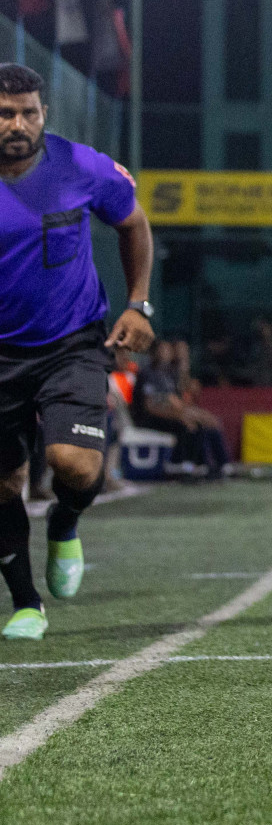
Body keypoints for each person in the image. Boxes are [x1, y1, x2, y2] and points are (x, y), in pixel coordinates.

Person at [0, 64, 155, 640]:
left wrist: (139, 305)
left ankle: (65, 523)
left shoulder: (81, 166)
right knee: (1, 483)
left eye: (29, 112)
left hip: (72, 342)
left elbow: (134, 225)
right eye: (5, 113)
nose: (19, 123)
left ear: (44, 114)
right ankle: (25, 604)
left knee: (74, 463)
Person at [131, 340, 231, 477]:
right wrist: (181, 416)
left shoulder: (168, 373)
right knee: (187, 424)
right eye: (163, 350)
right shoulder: (148, 373)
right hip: (149, 419)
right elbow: (150, 407)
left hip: (171, 414)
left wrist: (193, 414)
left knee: (206, 421)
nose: (166, 354)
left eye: (168, 351)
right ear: (155, 353)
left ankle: (216, 465)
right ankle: (182, 465)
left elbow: (182, 398)